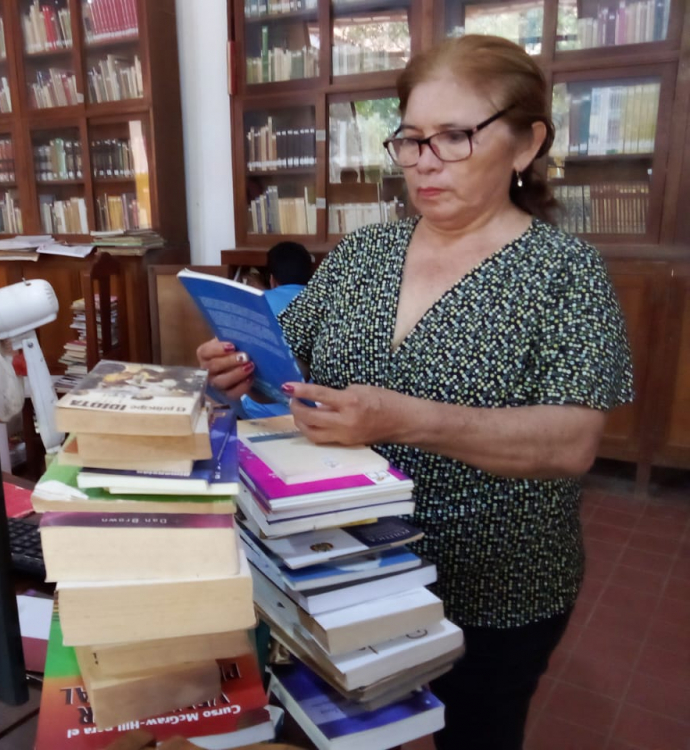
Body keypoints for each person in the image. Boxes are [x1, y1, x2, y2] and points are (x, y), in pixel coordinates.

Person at [199, 35, 633, 750]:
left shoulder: (565, 273)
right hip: (345, 560)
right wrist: (238, 363)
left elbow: (571, 441)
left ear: (526, 145)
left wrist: (408, 420)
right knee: (334, 726)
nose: (425, 162)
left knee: (477, 735)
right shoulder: (366, 254)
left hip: (497, 582)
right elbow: (287, 353)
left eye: (455, 137)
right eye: (411, 139)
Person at [239, 242, 314, 419]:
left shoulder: (257, 303)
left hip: (263, 410)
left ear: (272, 279)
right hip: (313, 410)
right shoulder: (323, 303)